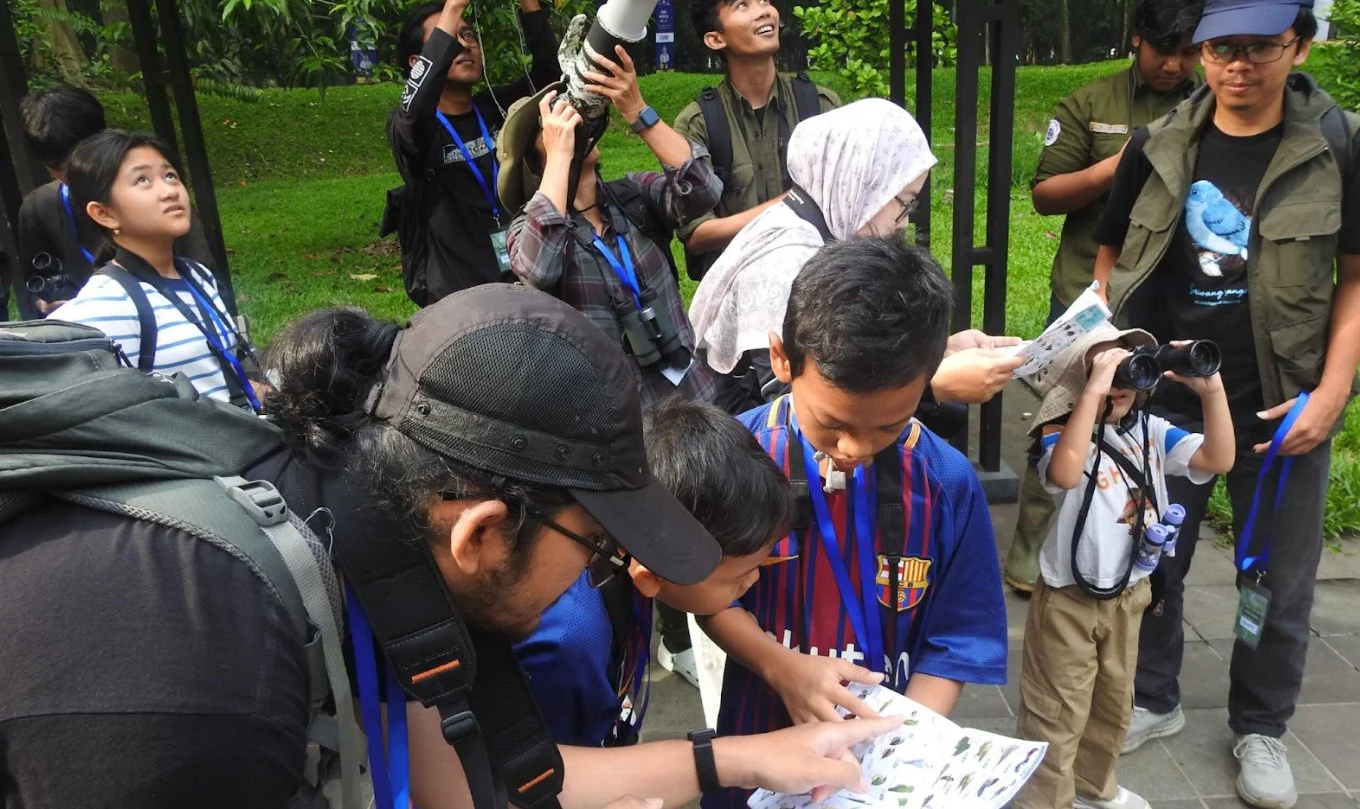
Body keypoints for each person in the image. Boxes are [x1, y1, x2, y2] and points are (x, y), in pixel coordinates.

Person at [0, 284, 905, 808]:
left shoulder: (374, 540)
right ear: (479, 531)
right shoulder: (204, 679)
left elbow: (467, 773)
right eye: (592, 543)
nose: (586, 583)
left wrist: (728, 760)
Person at [1092, 0, 1360, 809]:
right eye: (1220, 49)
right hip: (1169, 401)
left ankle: (1261, 726)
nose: (1237, 66)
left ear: (1301, 45)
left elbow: (1354, 277)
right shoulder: (1164, 140)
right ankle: (1155, 698)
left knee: (1275, 579)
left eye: (1260, 47)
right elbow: (1109, 257)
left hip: (1280, 403)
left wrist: (1333, 391)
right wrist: (1112, 358)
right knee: (1153, 558)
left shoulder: (1334, 146)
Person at [700, 237, 1010, 809]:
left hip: (880, 763)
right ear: (781, 358)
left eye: (890, 426)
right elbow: (706, 595)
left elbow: (955, 642)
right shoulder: (737, 458)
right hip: (756, 742)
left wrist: (900, 751)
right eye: (831, 423)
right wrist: (781, 667)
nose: (853, 449)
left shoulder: (946, 484)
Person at [1003, 0, 1207, 595]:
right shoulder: (1090, 102)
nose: (1173, 64)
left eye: (1186, 51)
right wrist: (1121, 165)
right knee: (1067, 419)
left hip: (1170, 296)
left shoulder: (1211, 110)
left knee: (1149, 429)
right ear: (1136, 40)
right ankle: (1028, 558)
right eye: (1160, 49)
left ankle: (1126, 551)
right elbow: (1043, 195)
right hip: (1092, 293)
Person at [1013, 325, 1233, 809]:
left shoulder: (1151, 433)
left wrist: (1211, 388)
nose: (1120, 384)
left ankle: (1094, 787)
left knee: (1114, 701)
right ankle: (1044, 800)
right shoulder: (1060, 436)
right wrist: (1092, 393)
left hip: (1130, 592)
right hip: (1069, 598)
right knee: (1057, 708)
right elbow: (1066, 473)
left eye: (1127, 371)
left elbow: (1218, 458)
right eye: (1106, 371)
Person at [688, 98, 1024, 415]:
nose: (904, 221)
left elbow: (838, 359)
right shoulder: (785, 263)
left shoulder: (808, 228)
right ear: (858, 182)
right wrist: (932, 385)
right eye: (903, 201)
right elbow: (800, 412)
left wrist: (938, 355)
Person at [515, 397, 798, 747]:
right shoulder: (570, 641)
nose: (753, 581)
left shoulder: (629, 555)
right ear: (650, 577)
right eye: (738, 578)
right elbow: (558, 766)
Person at [499, 52, 719, 408]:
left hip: (693, 404)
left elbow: (704, 186)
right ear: (532, 160)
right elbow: (539, 268)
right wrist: (559, 157)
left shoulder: (633, 196)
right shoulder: (527, 231)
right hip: (616, 431)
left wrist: (637, 109)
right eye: (551, 123)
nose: (571, 121)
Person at [387, 0, 558, 307]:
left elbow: (549, 75)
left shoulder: (493, 108)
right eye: (450, 38)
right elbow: (412, 108)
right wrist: (455, 1)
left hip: (526, 282)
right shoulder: (413, 130)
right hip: (461, 303)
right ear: (419, 62)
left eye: (469, 35)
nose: (465, 44)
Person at [48, 129, 261, 411]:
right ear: (104, 214)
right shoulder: (108, 302)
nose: (169, 191)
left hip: (246, 438)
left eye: (170, 175)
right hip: (197, 451)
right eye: (143, 180)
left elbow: (217, 376)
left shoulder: (197, 275)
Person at [673, 0, 841, 279]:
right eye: (743, 5)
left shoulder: (821, 106)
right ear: (715, 38)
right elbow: (697, 234)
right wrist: (791, 205)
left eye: (764, 0)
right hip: (737, 294)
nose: (764, 10)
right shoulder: (698, 123)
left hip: (819, 292)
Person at [16, 84, 211, 317]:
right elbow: (31, 291)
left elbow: (205, 280)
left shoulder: (160, 202)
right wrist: (44, 304)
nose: (75, 178)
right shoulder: (38, 209)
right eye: (60, 170)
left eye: (83, 165)